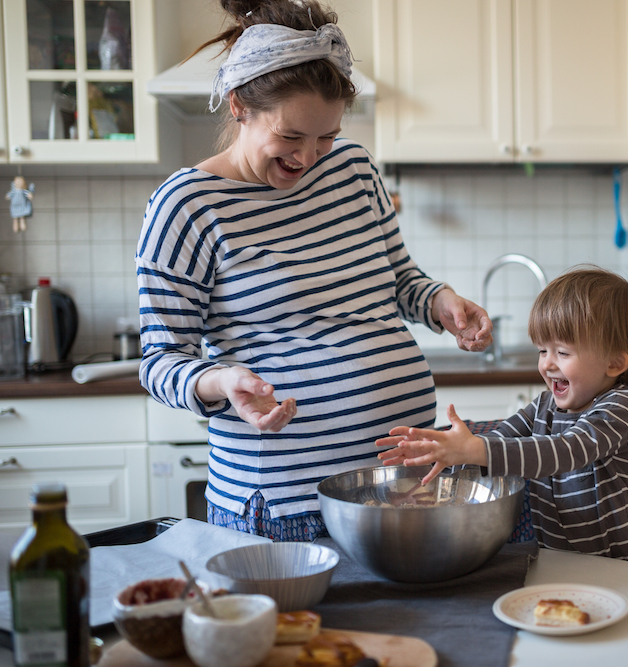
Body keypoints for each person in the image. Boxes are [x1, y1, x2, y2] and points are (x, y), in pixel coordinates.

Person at [136, 0, 491, 541]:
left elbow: (398, 278)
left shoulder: (352, 167)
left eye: (325, 136)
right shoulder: (186, 206)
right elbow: (159, 362)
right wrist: (223, 380)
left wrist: (440, 301)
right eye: (290, 137)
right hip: (287, 502)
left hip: (403, 482)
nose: (309, 157)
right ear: (238, 106)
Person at [377, 267, 628, 565]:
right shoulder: (544, 405)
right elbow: (499, 438)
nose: (547, 364)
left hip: (619, 570)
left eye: (562, 352)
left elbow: (565, 451)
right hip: (557, 563)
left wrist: (476, 449)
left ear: (614, 363)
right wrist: (447, 453)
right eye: (541, 350)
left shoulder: (623, 408)